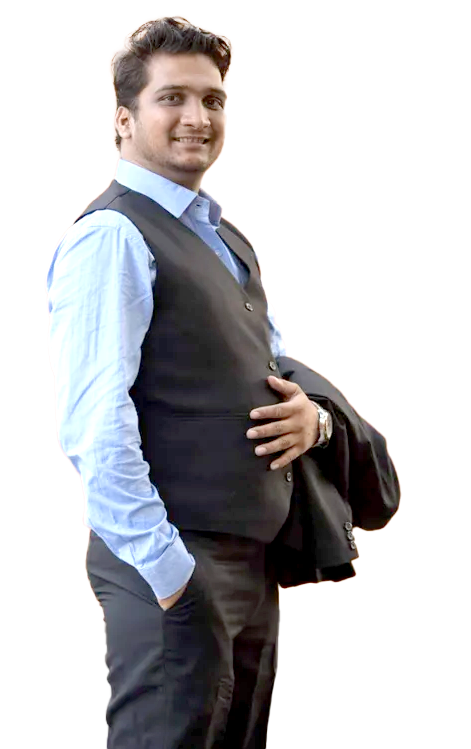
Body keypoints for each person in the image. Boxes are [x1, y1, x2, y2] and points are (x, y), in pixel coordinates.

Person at [45, 14, 335, 749]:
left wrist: (316, 420)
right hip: (171, 562)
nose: (197, 117)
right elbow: (95, 423)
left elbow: (271, 367)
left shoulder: (226, 238)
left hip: (248, 565)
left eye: (212, 99)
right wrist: (171, 573)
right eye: (172, 98)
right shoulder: (113, 234)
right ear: (123, 118)